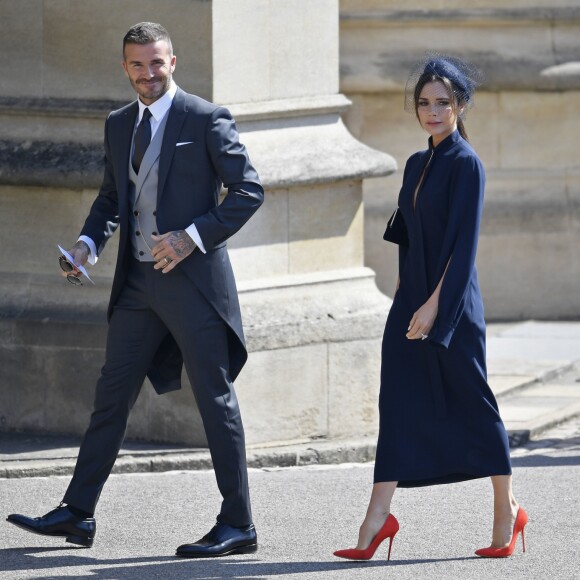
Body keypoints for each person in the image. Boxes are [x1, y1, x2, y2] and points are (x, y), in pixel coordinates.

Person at [7, 22, 264, 558]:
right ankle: (78, 514)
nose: (148, 74)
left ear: (174, 62)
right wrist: (85, 246)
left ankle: (238, 523)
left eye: (157, 63)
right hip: (136, 284)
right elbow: (110, 201)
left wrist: (192, 237)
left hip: (192, 285)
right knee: (111, 395)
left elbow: (248, 190)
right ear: (125, 67)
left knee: (215, 400)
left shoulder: (206, 117)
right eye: (138, 65)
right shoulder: (119, 123)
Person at [333, 55, 527, 561]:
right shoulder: (418, 163)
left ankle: (506, 509)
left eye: (443, 102)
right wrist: (405, 288)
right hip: (410, 301)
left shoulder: (467, 164)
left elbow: (463, 248)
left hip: (452, 305)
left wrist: (434, 306)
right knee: (396, 399)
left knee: (475, 401)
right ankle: (377, 518)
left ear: (460, 105)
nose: (432, 111)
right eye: (424, 103)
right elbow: (404, 231)